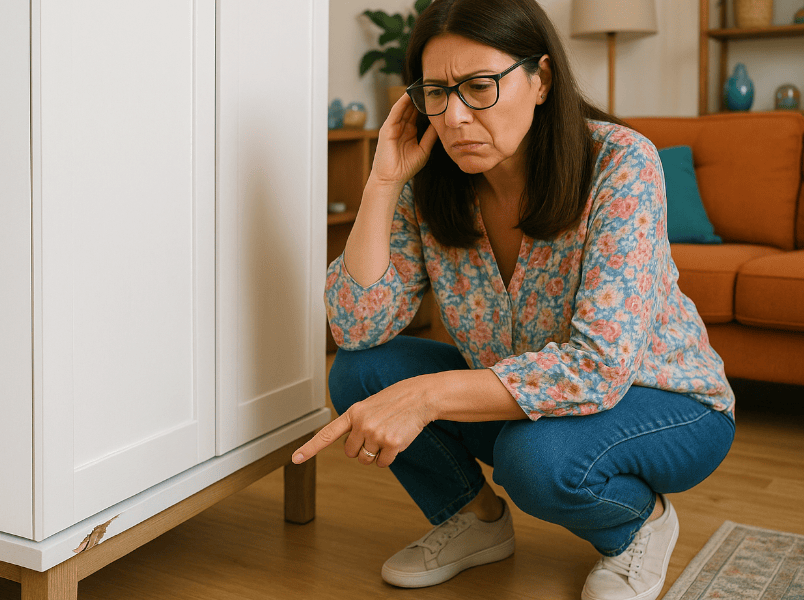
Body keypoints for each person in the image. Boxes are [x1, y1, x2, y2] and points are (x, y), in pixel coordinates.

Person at [291, 0, 736, 598]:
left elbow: (599, 367)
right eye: (435, 93)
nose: (454, 116)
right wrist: (383, 181)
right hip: (530, 400)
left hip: (667, 400)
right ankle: (476, 520)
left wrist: (426, 396)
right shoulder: (434, 180)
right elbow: (355, 327)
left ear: (541, 79)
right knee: (361, 373)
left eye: (479, 87)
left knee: (535, 458)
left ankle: (639, 525)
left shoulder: (621, 162)